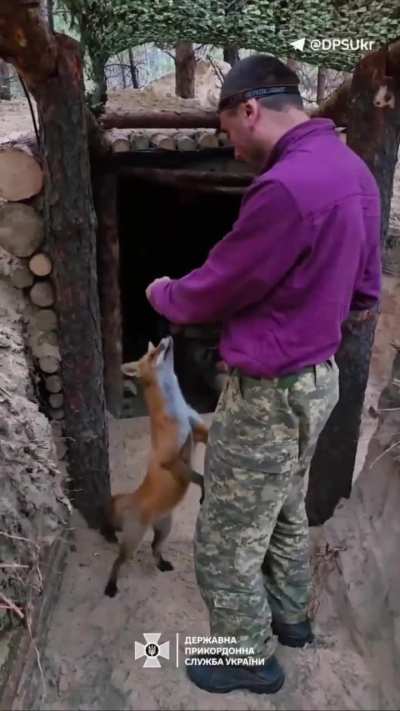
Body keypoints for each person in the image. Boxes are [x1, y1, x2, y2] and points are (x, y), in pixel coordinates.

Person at [145, 55, 381, 695]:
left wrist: (164, 293)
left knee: (224, 533)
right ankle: (291, 618)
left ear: (249, 109)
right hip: (318, 381)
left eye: (229, 132)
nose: (233, 146)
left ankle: (244, 657)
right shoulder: (354, 172)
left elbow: (216, 286)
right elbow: (365, 291)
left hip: (269, 393)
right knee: (280, 509)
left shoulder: (284, 187)